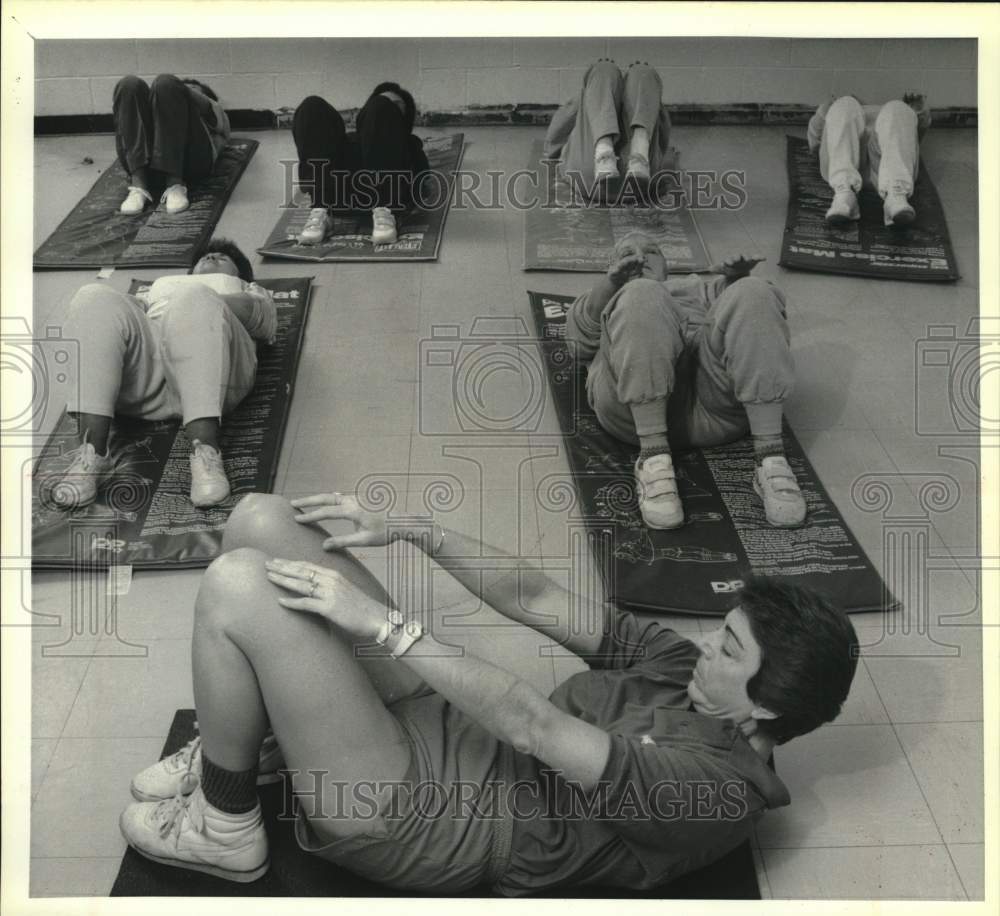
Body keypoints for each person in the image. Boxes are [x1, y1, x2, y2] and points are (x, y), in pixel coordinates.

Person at [117, 491, 858, 893]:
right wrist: (415, 530)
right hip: (460, 733)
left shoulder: (713, 794)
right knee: (263, 519)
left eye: (727, 649)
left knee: (236, 585)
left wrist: (382, 624)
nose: (704, 647)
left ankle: (225, 825)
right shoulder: (686, 676)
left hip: (436, 820)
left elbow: (535, 726)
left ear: (766, 706)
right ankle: (253, 732)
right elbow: (535, 594)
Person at [566, 231, 805, 530]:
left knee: (754, 290)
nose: (640, 256)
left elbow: (754, 325)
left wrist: (736, 279)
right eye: (628, 252)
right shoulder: (605, 297)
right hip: (636, 416)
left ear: (666, 263)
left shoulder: (694, 286)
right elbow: (578, 345)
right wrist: (613, 284)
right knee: (642, 293)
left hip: (717, 406)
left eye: (651, 249)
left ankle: (770, 458)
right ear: (612, 266)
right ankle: (653, 460)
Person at [44, 239, 277, 510]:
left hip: (212, 373)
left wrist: (202, 297)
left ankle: (206, 453)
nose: (212, 256)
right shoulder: (158, 291)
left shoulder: (248, 290)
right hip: (148, 381)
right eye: (206, 256)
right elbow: (116, 319)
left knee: (194, 298)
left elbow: (265, 324)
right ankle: (91, 455)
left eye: (223, 257)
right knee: (92, 296)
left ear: (240, 276)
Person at [290, 82, 430, 247]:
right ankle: (321, 211)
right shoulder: (349, 141)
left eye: (395, 107)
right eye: (383, 105)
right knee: (312, 105)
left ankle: (385, 210)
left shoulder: (409, 144)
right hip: (335, 196)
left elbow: (422, 176)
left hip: (388, 197)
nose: (387, 109)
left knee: (380, 106)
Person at [807, 93, 931, 227]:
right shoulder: (846, 107)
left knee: (897, 107)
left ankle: (896, 196)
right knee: (845, 103)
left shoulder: (892, 112)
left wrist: (921, 111)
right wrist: (824, 111)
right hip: (843, 167)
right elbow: (815, 145)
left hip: (884, 172)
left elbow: (911, 143)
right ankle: (845, 195)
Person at [113, 74, 231, 216]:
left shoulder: (210, 112)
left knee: (166, 83)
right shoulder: (160, 104)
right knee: (129, 84)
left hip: (189, 167)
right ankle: (139, 185)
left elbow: (215, 115)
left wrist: (178, 89)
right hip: (147, 166)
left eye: (194, 89)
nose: (187, 90)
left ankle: (174, 183)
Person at [544, 59, 672, 188]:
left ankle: (604, 153)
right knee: (644, 73)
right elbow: (664, 134)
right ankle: (639, 154)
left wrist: (553, 150)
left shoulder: (594, 96)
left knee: (602, 70)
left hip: (587, 178)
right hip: (642, 184)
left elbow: (556, 132)